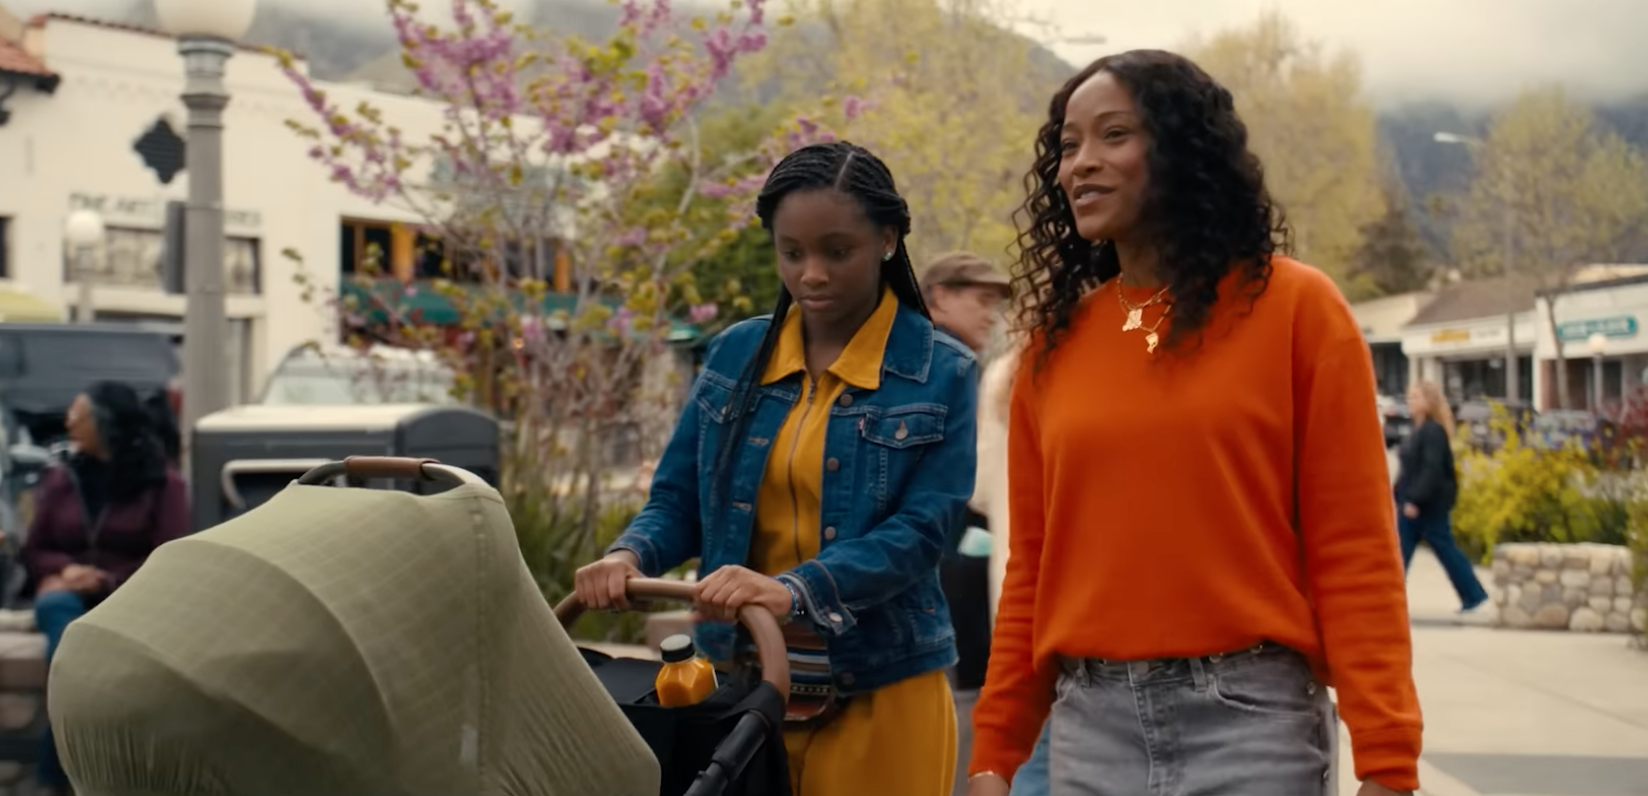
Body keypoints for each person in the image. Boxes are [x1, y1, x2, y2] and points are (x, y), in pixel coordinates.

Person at [965, 50, 1423, 796]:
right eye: (1068, 146)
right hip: (1092, 732)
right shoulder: (1052, 346)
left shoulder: (1298, 311)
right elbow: (1034, 570)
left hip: (1252, 725)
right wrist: (995, 751)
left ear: (1182, 149)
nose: (1080, 163)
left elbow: (1356, 549)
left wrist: (1388, 756)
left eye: (1114, 135)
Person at [575, 141, 980, 796]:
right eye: (792, 252)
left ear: (887, 239)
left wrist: (794, 590)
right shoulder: (736, 355)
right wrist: (629, 555)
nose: (811, 274)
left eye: (837, 251)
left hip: (879, 690)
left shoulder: (943, 371)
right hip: (740, 692)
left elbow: (922, 532)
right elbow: (680, 500)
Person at [23, 380, 189, 794]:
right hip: (66, 594)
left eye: (79, 416)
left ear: (107, 424)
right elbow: (36, 548)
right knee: (65, 632)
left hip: (129, 597)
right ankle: (66, 773)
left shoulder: (163, 485)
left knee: (86, 650)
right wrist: (65, 569)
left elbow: (169, 555)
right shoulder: (61, 479)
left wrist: (108, 579)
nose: (68, 423)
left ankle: (55, 776)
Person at [920, 252, 1011, 795]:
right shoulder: (943, 365)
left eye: (997, 303)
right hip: (943, 581)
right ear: (938, 296)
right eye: (981, 299)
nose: (990, 314)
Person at [1395, 380, 1487, 612]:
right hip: (1412, 504)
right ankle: (1390, 600)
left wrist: (1414, 499)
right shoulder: (1418, 430)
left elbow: (1432, 469)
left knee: (1441, 549)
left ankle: (1473, 594)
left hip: (1425, 506)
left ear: (1428, 402)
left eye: (1415, 397)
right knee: (1401, 553)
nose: (1410, 401)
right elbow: (1409, 470)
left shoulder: (1432, 431)